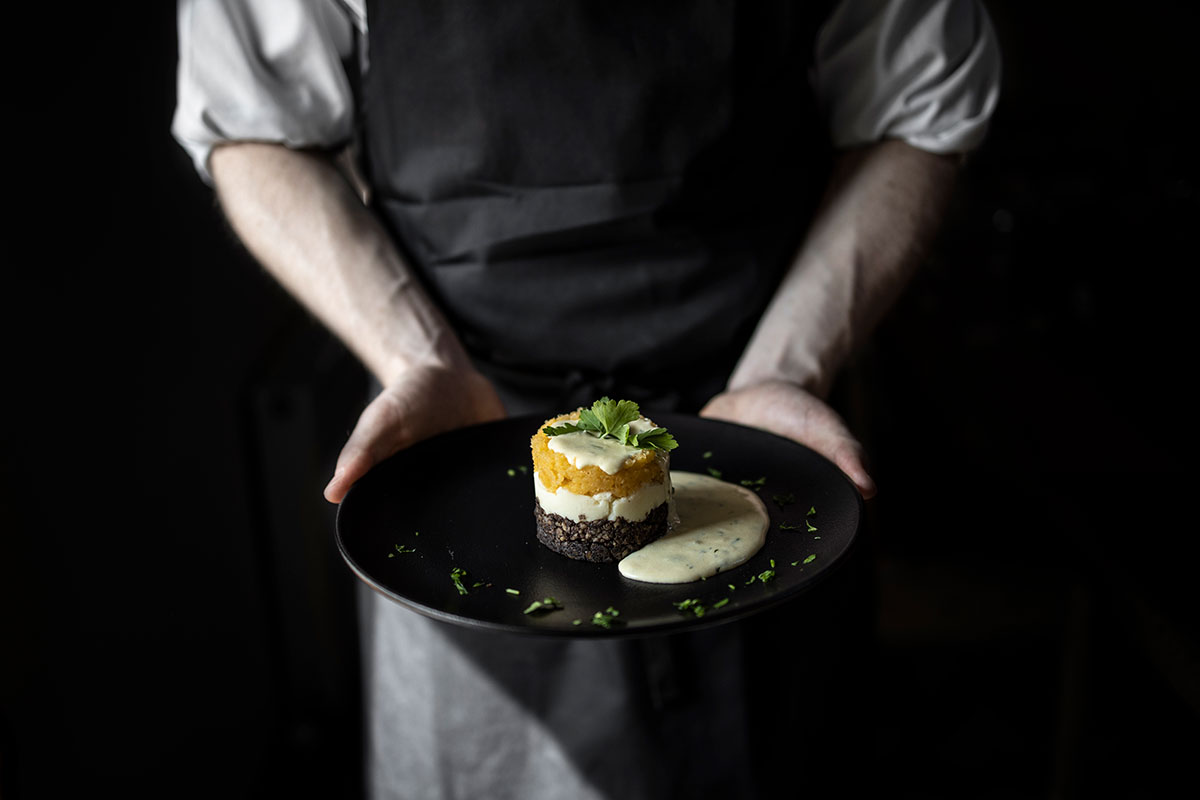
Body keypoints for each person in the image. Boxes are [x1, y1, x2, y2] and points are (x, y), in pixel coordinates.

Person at [173, 1, 1000, 797]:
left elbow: (917, 106)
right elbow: (254, 121)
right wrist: (415, 356)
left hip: (755, 430)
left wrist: (788, 365)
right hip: (461, 435)